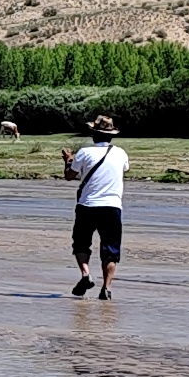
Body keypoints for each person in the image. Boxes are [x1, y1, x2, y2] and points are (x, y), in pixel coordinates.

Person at [62, 113, 126, 298]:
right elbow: (125, 169)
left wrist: (68, 161)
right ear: (111, 135)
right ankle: (106, 288)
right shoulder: (121, 153)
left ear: (94, 134)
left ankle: (86, 274)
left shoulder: (84, 153)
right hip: (112, 206)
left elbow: (69, 176)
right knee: (111, 249)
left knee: (81, 244)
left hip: (87, 206)